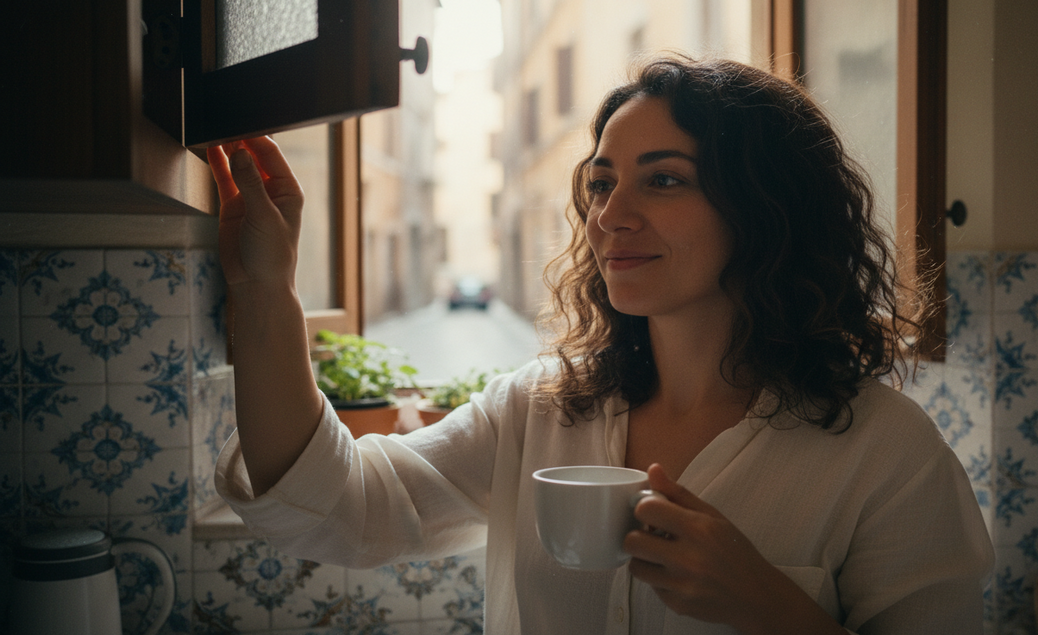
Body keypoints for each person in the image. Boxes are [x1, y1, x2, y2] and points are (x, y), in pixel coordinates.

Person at [211, 56, 993, 634]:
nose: (608, 215)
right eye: (601, 181)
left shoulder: (887, 453)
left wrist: (771, 605)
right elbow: (338, 510)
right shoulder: (537, 409)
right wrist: (265, 292)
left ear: (768, 208)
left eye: (663, 180)